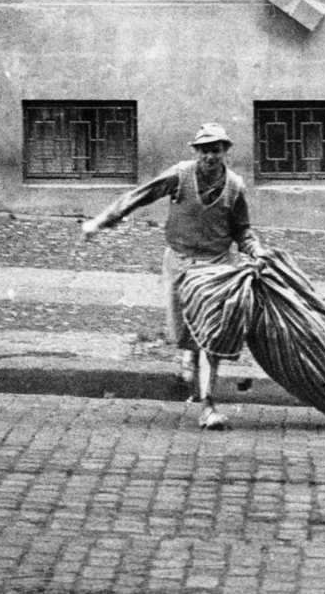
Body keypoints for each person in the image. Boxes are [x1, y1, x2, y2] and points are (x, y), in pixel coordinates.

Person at [81, 123, 267, 430]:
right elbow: (140, 196)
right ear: (196, 151)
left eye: (216, 150)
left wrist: (255, 250)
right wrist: (100, 221)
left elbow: (241, 229)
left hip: (217, 267)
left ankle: (207, 406)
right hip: (180, 263)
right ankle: (189, 360)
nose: (210, 156)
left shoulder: (234, 186)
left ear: (225, 152)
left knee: (211, 337)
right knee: (185, 334)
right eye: (204, 150)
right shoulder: (180, 176)